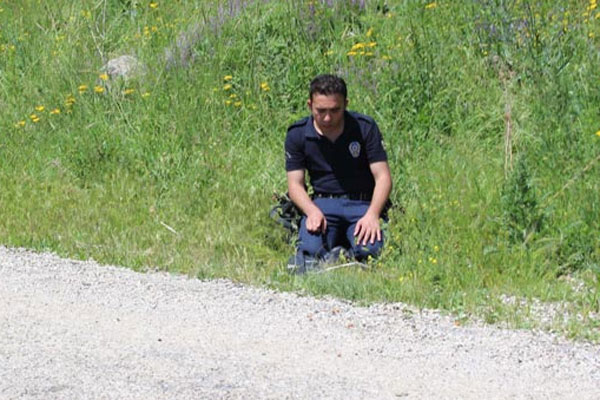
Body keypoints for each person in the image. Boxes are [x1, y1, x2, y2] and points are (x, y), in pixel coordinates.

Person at [285, 74, 392, 273]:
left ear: (346, 104)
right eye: (321, 111)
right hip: (322, 204)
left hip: (361, 204)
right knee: (310, 252)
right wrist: (311, 211)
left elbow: (383, 177)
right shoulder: (297, 134)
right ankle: (335, 255)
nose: (327, 118)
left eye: (335, 110)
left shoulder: (364, 128)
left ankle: (345, 255)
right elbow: (295, 184)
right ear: (310, 105)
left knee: (371, 251)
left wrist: (373, 214)